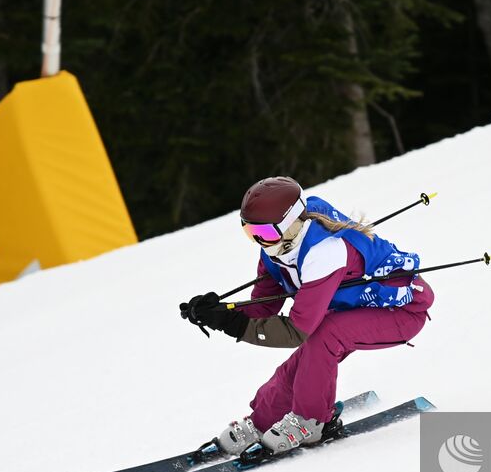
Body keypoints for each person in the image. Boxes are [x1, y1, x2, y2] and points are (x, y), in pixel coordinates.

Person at [183, 176, 434, 455]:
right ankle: (262, 421)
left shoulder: (325, 252)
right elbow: (262, 309)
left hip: (399, 312)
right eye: (250, 233)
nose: (259, 242)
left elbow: (296, 330)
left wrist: (233, 323)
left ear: (291, 223)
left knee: (324, 336)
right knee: (310, 352)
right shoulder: (276, 249)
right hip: (349, 312)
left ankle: (310, 421)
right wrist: (220, 314)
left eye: (264, 233)